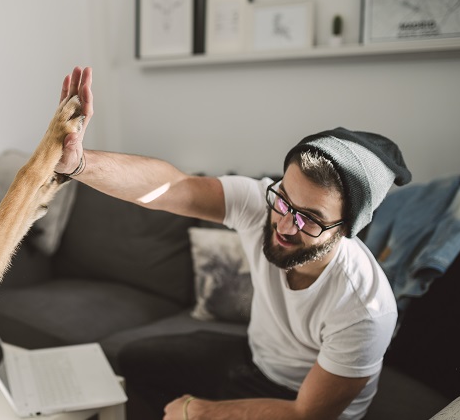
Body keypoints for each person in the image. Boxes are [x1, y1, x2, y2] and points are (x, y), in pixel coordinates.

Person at [53, 67, 411, 420]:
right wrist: (79, 163)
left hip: (299, 402)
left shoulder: (365, 308)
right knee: (134, 360)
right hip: (253, 359)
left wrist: (198, 411)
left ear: (347, 228)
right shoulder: (262, 204)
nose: (285, 225)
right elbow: (174, 187)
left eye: (311, 218)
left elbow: (305, 413)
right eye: (284, 199)